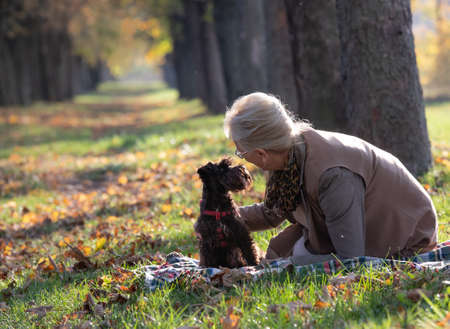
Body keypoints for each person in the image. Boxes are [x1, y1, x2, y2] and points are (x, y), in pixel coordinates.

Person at [223, 92, 438, 265]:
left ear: (262, 153)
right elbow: (272, 212)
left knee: (295, 261)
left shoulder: (333, 176)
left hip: (405, 240)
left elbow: (351, 257)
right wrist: (222, 218)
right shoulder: (288, 154)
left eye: (241, 152)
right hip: (359, 229)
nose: (241, 157)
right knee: (291, 256)